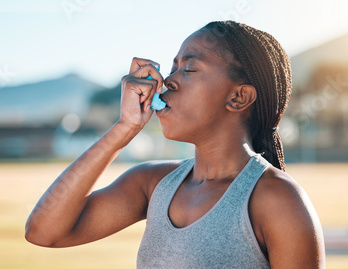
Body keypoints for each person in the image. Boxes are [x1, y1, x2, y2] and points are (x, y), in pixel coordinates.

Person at [25, 21, 326, 268]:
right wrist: (125, 128)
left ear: (238, 97)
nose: (168, 81)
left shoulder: (277, 200)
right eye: (173, 67)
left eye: (190, 69)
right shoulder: (152, 184)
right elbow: (43, 232)